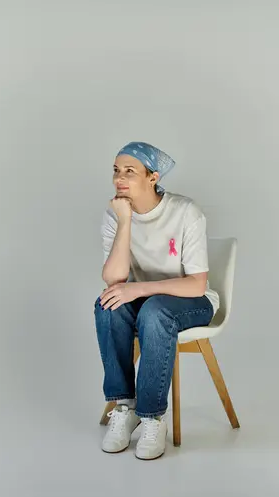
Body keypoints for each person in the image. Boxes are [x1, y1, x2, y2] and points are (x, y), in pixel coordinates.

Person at [94, 141, 219, 460]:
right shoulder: (115, 213)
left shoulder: (185, 211)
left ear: (153, 176)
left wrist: (138, 290)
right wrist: (125, 222)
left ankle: (152, 418)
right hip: (148, 301)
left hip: (192, 301)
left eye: (130, 171)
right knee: (108, 304)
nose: (119, 178)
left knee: (154, 312)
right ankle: (126, 406)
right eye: (116, 170)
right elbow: (113, 279)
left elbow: (196, 284)